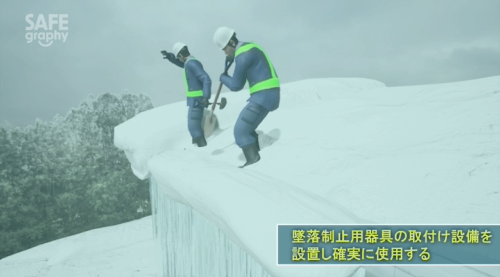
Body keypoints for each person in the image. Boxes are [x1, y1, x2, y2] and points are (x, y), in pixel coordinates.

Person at [213, 27, 280, 168]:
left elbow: (236, 85)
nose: (225, 52)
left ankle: (253, 162)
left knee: (240, 131)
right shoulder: (251, 46)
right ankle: (258, 160)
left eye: (225, 49)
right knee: (247, 128)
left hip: (263, 95)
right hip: (267, 93)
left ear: (231, 42)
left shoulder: (243, 55)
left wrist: (223, 77)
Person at [161, 42, 212, 147]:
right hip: (195, 100)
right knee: (194, 126)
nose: (178, 59)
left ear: (180, 55)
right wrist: (170, 56)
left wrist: (206, 96)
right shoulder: (189, 63)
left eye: (177, 57)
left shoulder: (192, 63)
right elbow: (180, 63)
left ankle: (202, 149)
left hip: (197, 100)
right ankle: (197, 149)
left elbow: (206, 79)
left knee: (193, 127)